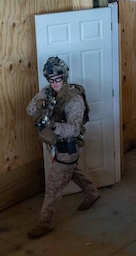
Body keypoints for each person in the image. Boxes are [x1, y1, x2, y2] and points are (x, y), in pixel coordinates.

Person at [26, 56, 100, 238]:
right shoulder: (48, 92)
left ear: (64, 77)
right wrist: (40, 103)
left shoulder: (74, 100)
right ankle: (92, 193)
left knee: (53, 186)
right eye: (51, 80)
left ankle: (45, 222)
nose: (55, 84)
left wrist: (52, 125)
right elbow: (30, 110)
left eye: (58, 79)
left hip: (68, 147)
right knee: (72, 171)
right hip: (53, 145)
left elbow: (74, 129)